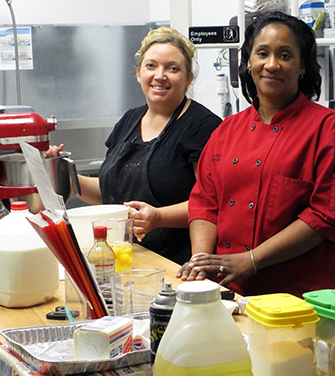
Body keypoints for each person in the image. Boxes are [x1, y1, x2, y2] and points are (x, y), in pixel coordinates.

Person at [176, 12, 335, 297]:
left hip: (305, 295)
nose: (272, 64)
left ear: (302, 67)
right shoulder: (227, 131)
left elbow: (326, 216)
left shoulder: (328, 130)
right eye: (262, 53)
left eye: (285, 55)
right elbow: (205, 202)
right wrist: (202, 261)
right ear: (249, 63)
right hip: (232, 288)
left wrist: (251, 260)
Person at [48, 27, 221, 265]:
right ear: (139, 73)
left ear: (188, 78)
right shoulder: (129, 120)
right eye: (151, 66)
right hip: (124, 255)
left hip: (176, 264)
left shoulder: (203, 126)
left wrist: (158, 217)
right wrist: (64, 176)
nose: (160, 75)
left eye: (172, 68)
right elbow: (111, 193)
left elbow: (213, 203)